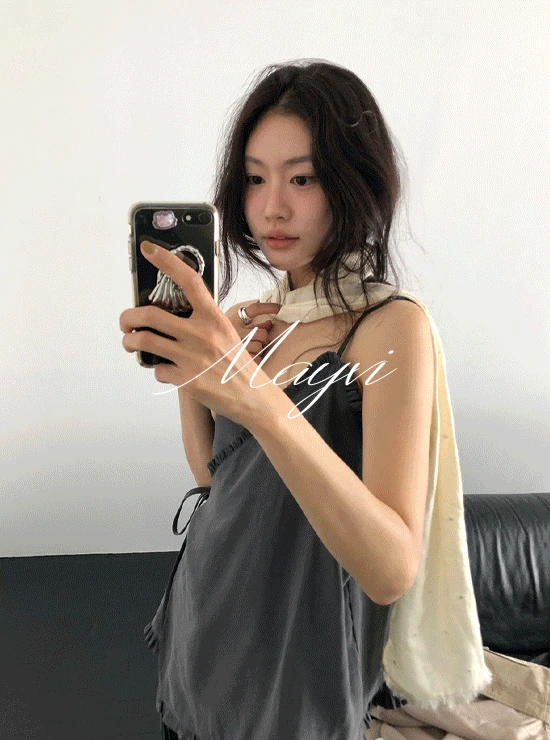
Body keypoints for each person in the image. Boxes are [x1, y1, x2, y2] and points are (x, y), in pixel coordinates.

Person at [120, 59, 490, 740]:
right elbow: (216, 483)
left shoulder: (388, 328)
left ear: (353, 181)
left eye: (302, 178)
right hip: (200, 649)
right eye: (255, 178)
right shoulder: (268, 319)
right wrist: (197, 376)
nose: (272, 207)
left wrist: (254, 395)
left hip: (291, 689)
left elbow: (390, 569)